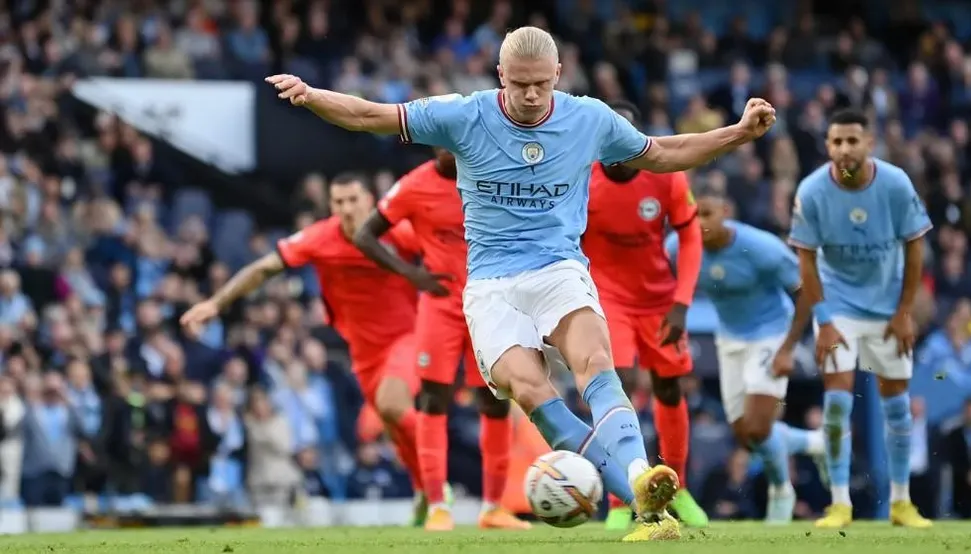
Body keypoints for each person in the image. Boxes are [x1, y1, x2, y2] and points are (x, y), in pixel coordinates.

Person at [265, 25, 775, 541]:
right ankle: (639, 499)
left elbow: (664, 153)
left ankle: (641, 476)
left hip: (558, 269)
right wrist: (312, 96)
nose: (531, 96)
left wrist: (738, 133)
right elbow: (370, 115)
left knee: (596, 361)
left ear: (559, 75)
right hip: (490, 286)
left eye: (541, 85)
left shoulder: (590, 118)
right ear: (500, 76)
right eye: (519, 84)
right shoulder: (465, 114)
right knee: (531, 391)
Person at [179, 174, 427, 522]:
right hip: (362, 350)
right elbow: (264, 267)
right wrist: (216, 303)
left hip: (407, 337)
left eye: (353, 200)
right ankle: (425, 489)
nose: (347, 209)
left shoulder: (397, 232)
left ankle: (437, 484)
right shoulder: (321, 237)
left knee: (393, 404)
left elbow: (443, 251)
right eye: (338, 202)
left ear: (370, 200)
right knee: (391, 420)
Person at [353, 148, 529, 531]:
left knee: (495, 399)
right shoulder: (414, 185)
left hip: (489, 305)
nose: (453, 145)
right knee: (434, 399)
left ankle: (493, 508)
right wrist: (410, 273)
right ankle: (437, 505)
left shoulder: (492, 175)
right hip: (441, 307)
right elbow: (364, 235)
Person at [785, 108, 933, 529]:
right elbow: (806, 261)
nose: (845, 149)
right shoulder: (812, 190)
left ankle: (901, 502)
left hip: (888, 307)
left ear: (869, 143)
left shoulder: (895, 183)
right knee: (836, 403)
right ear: (827, 146)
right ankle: (839, 503)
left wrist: (905, 312)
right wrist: (824, 319)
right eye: (837, 141)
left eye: (853, 140)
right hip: (839, 307)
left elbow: (915, 247)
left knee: (897, 405)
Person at [581, 100, 708, 530]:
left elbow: (691, 237)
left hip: (658, 301)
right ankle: (622, 499)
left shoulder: (666, 174)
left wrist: (682, 302)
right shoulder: (582, 176)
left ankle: (678, 488)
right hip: (607, 298)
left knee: (669, 389)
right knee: (616, 384)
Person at [668, 191, 826, 524]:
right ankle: (815, 442)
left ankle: (781, 490)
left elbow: (807, 291)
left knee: (757, 426)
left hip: (771, 333)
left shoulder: (761, 247)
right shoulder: (677, 247)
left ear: (726, 211)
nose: (700, 223)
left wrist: (788, 348)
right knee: (745, 434)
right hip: (729, 338)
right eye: (693, 215)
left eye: (707, 213)